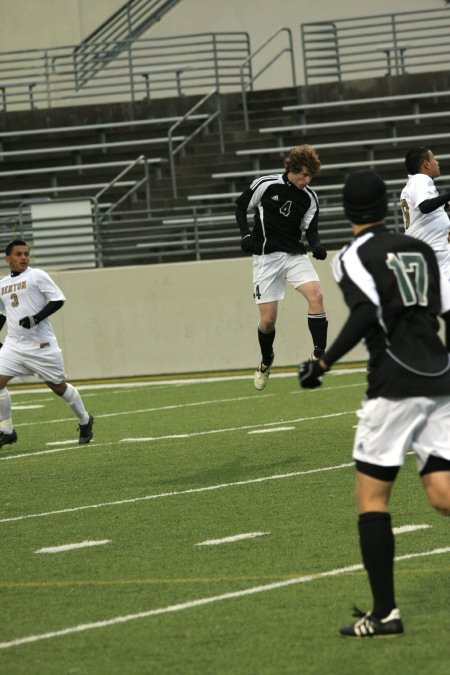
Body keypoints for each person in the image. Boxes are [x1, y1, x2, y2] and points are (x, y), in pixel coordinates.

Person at [298, 170, 450, 637]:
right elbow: (440, 312)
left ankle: (385, 613)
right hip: (440, 375)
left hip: (394, 382)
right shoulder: (421, 249)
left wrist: (322, 362)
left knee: (372, 498)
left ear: (346, 213)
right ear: (386, 206)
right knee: (444, 495)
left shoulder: (350, 257)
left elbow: (367, 315)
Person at [235, 144, 328, 390]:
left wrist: (316, 245)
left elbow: (312, 229)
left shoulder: (310, 197)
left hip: (295, 255)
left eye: (311, 177)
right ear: (293, 169)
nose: (307, 181)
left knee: (316, 295)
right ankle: (266, 360)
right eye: (304, 175)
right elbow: (240, 206)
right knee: (267, 320)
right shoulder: (266, 184)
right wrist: (245, 236)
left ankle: (318, 354)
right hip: (266, 257)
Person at [0, 239, 94, 448]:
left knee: (58, 387)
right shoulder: (2, 285)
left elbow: (58, 299)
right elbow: (2, 314)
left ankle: (85, 420)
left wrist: (35, 318)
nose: (24, 257)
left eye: (26, 253)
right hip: (14, 345)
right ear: (8, 259)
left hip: (41, 345)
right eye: (19, 254)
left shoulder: (37, 276)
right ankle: (7, 430)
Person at [400, 145, 450, 280]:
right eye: (433, 158)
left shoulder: (413, 183)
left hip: (428, 248)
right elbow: (425, 206)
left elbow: (430, 210)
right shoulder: (421, 180)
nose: (437, 162)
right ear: (426, 164)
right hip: (434, 250)